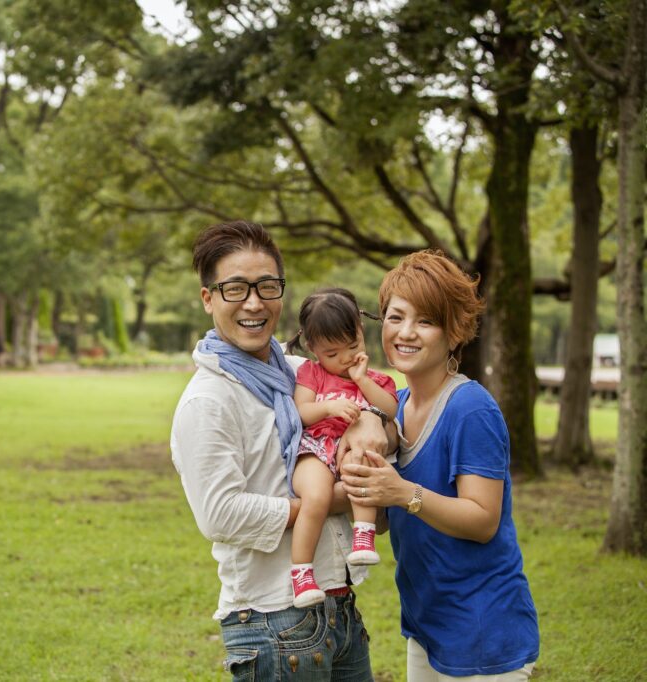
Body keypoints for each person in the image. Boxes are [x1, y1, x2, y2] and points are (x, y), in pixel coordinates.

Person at [170, 220, 394, 681]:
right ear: (208, 298)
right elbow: (220, 515)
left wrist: (370, 420)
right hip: (272, 622)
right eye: (235, 288)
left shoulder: (300, 372)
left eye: (267, 286)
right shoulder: (208, 401)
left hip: (339, 607)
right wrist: (329, 500)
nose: (254, 302)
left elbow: (370, 410)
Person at [340, 250, 539, 681]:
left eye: (425, 321)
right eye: (395, 317)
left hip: (484, 633)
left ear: (454, 333)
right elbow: (388, 521)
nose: (405, 332)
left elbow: (483, 520)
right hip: (427, 627)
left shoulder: (470, 408)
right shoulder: (399, 407)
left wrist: (399, 493)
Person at [284, 289, 399, 608]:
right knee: (317, 497)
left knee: (360, 465)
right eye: (333, 353)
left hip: (350, 450)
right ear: (313, 348)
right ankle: (302, 573)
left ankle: (363, 532)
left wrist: (362, 381)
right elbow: (301, 413)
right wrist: (329, 408)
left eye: (353, 346)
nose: (346, 358)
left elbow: (390, 409)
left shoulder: (376, 379)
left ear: (362, 333)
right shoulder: (311, 372)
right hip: (316, 449)